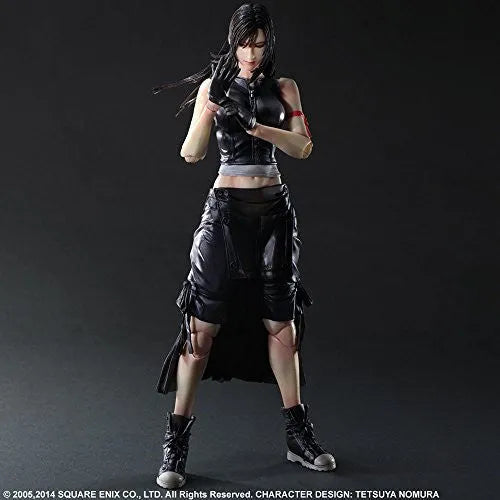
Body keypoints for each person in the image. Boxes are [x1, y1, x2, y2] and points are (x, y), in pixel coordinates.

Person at [152, 3, 336, 489]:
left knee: (283, 324)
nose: (251, 53)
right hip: (225, 212)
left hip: (274, 212)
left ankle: (298, 436)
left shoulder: (285, 88)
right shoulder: (213, 88)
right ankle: (176, 442)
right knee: (200, 328)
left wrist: (257, 127)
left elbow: (303, 147)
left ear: (268, 43)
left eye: (259, 44)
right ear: (233, 42)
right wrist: (210, 106)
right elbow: (192, 153)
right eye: (244, 43)